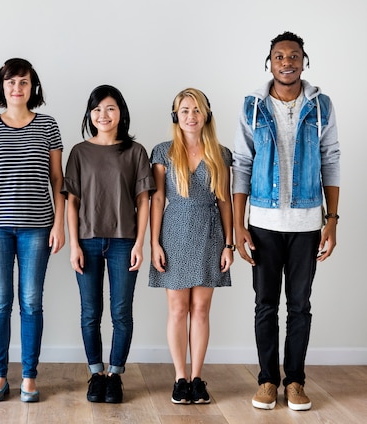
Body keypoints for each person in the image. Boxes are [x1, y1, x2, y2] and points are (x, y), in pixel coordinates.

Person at [232, 31, 341, 411]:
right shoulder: (253, 108)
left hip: (308, 223)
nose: (287, 62)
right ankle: (267, 381)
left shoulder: (321, 106)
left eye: (294, 56)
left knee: (299, 306)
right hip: (262, 221)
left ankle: (294, 381)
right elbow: (241, 166)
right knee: (265, 305)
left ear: (303, 61)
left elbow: (331, 161)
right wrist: (239, 224)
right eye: (280, 56)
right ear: (270, 62)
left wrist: (332, 220)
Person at [0, 58, 65, 403]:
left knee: (30, 302)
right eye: (10, 82)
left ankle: (28, 376)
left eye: (23, 82)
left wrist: (60, 224)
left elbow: (58, 180)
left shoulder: (48, 126)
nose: (16, 88)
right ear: (1, 87)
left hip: (38, 228)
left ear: (32, 88)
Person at [62, 85, 154, 404]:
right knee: (90, 312)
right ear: (90, 114)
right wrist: (73, 245)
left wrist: (140, 243)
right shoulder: (79, 152)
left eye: (111, 108)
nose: (104, 115)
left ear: (121, 113)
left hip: (123, 242)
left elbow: (145, 202)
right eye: (98, 109)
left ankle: (114, 375)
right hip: (86, 242)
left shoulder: (135, 152)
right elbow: (71, 203)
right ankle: (95, 373)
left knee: (121, 312)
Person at [149, 88, 233, 405]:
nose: (191, 116)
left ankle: (197, 378)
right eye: (184, 110)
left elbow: (224, 201)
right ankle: (179, 378)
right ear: (175, 116)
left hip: (210, 232)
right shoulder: (163, 152)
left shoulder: (221, 154)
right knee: (177, 309)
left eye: (196, 110)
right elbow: (157, 199)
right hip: (174, 232)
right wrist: (154, 242)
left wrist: (229, 244)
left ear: (206, 114)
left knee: (200, 310)